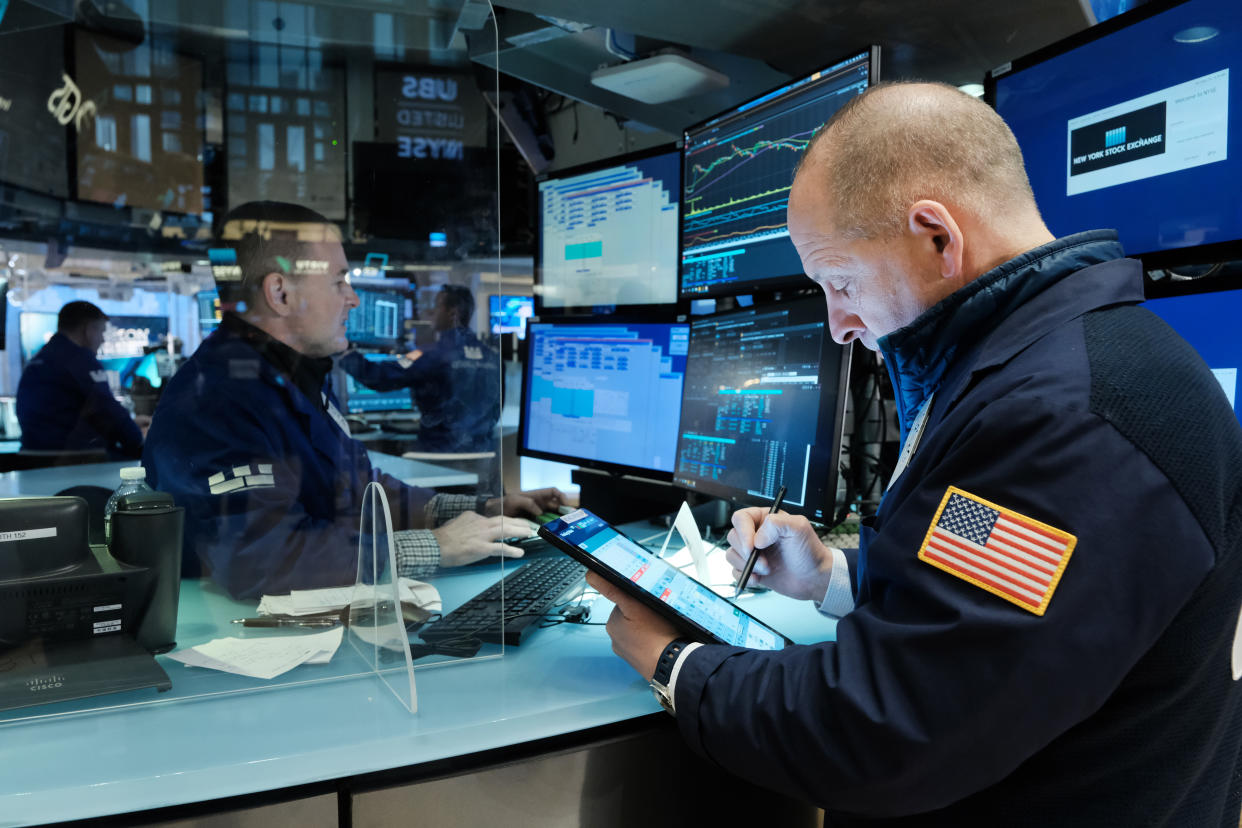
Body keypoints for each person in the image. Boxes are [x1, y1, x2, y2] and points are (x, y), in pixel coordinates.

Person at [590, 81, 1242, 825]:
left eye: (838, 281)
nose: (838, 325)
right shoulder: (1038, 367)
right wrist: (833, 575)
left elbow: (883, 732)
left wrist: (673, 660)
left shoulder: (1069, 418)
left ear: (938, 237)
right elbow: (999, 585)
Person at [143, 201, 562, 600]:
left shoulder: (288, 377)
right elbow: (264, 561)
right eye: (339, 280)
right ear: (280, 293)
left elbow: (360, 489)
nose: (353, 298)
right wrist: (435, 546)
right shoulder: (220, 401)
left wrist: (483, 508)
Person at [339, 284, 499, 452]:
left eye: (437, 306)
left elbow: (380, 377)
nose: (431, 312)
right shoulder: (493, 357)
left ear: (453, 313)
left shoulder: (430, 355)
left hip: (438, 456)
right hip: (483, 456)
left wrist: (347, 353)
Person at [16, 300, 144, 459]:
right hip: (70, 458)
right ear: (88, 331)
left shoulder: (42, 357)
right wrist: (139, 442)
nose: (103, 340)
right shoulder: (79, 358)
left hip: (31, 455)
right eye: (102, 332)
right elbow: (107, 409)